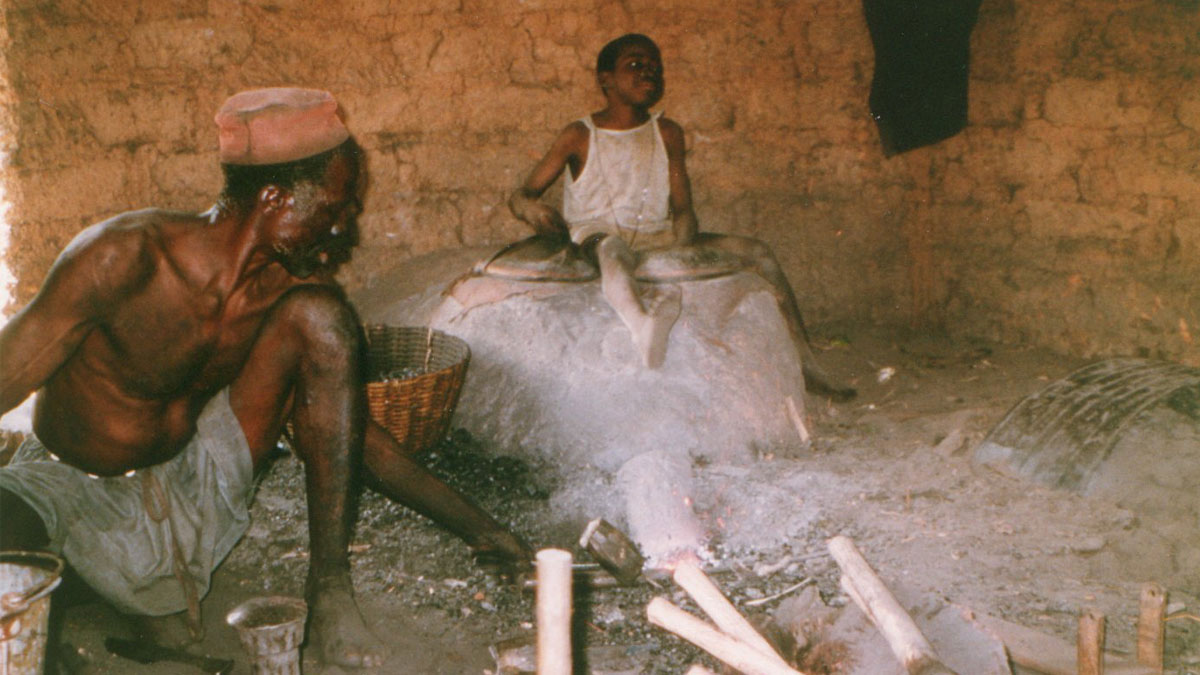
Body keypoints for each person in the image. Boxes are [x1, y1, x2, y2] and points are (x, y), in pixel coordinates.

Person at [0, 87, 530, 669]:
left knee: (326, 320)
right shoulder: (123, 259)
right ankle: (94, 591)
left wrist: (485, 529)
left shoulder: (286, 294)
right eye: (334, 207)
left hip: (190, 488)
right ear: (274, 198)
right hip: (66, 483)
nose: (344, 228)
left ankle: (329, 593)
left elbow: (347, 439)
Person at [509, 34, 855, 398]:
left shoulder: (667, 132)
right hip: (597, 235)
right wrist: (531, 210)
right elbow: (522, 195)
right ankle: (643, 329)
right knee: (612, 251)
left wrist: (682, 246)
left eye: (656, 68)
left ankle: (808, 365)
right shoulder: (580, 134)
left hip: (654, 237)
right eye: (636, 66)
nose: (649, 75)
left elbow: (683, 210)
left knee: (759, 253)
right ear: (605, 79)